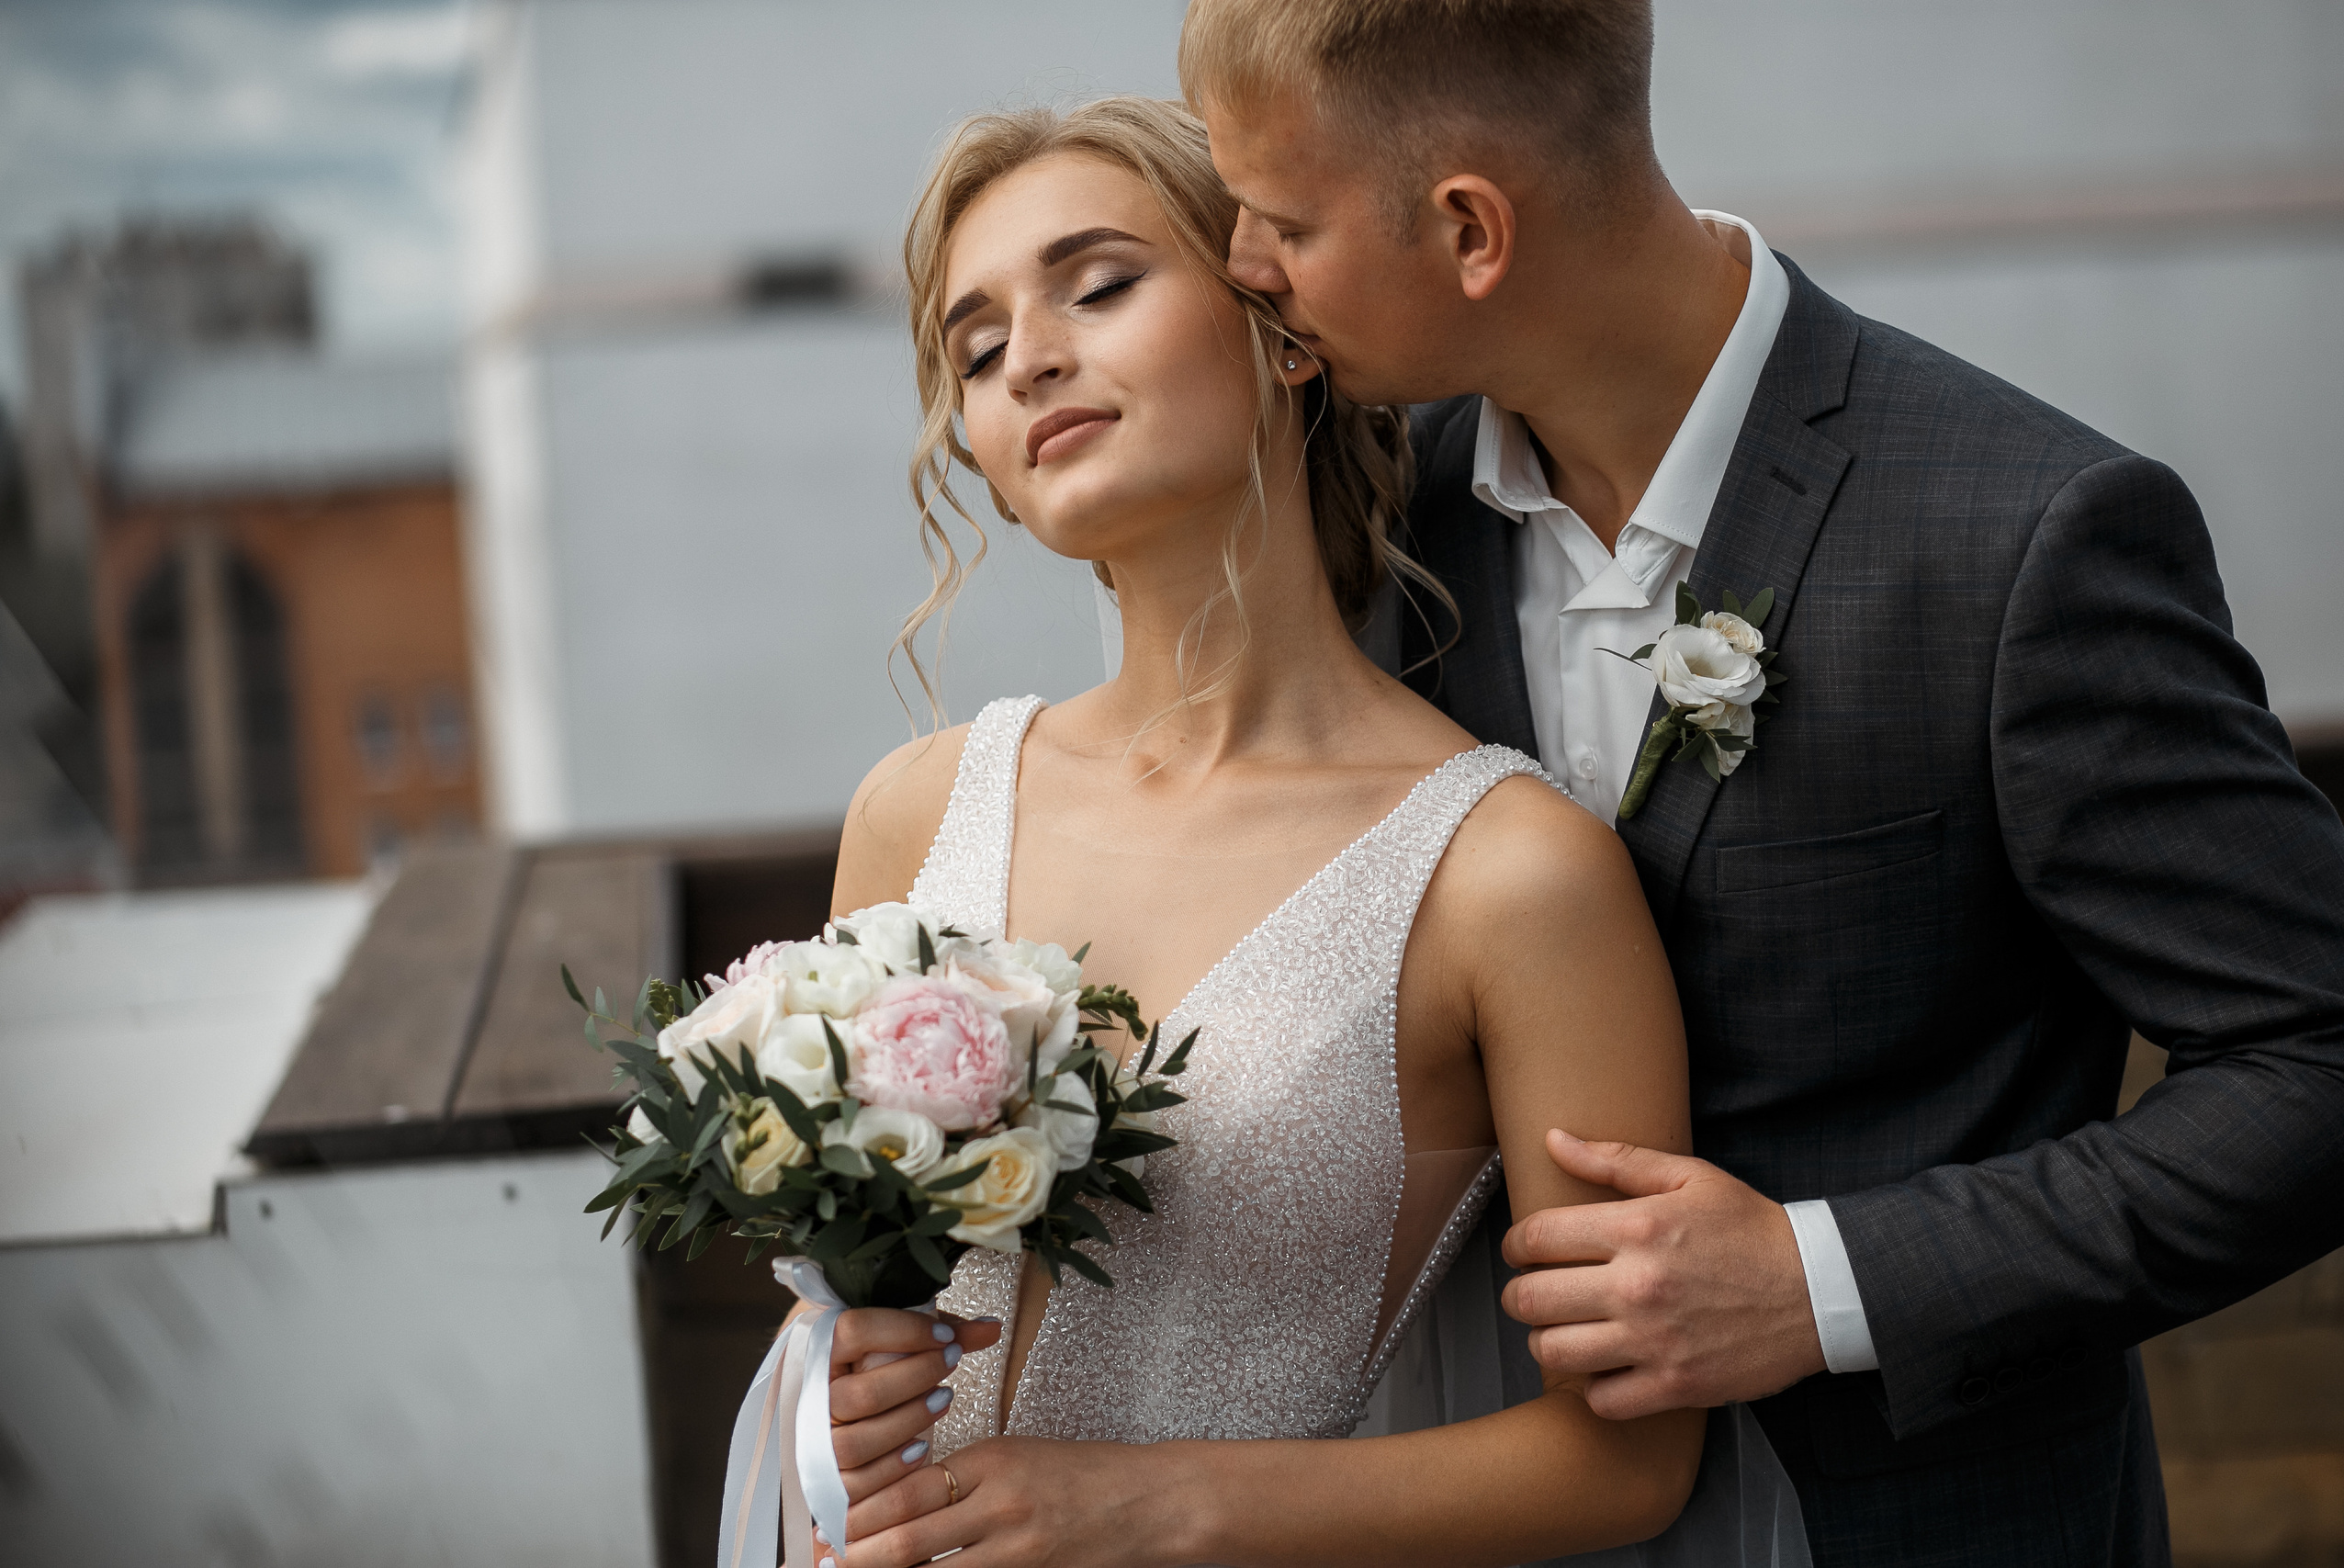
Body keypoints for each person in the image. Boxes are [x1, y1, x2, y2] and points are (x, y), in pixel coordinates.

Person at [1174, 0, 2344, 1562]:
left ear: (1469, 229)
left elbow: (2317, 1059)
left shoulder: (2025, 535)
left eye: (1282, 217)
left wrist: (1824, 1280)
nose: (1242, 261)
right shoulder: (1374, 526)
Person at [791, 95, 1791, 1568]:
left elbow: (1625, 1457)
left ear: (1281, 325)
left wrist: (1155, 1506)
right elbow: (849, 1301)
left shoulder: (1510, 875)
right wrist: (841, 1378)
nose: (1033, 361)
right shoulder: (915, 811)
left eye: (1102, 283)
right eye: (979, 347)